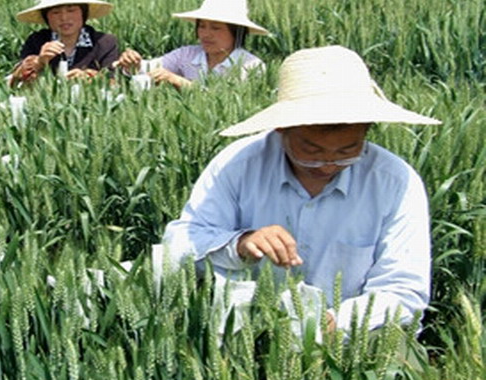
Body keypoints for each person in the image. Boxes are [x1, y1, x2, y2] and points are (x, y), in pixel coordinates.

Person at [163, 45, 440, 332]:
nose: (328, 164)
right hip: (244, 336)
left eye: (347, 150)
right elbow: (177, 246)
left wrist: (336, 325)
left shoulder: (395, 182)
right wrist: (240, 244)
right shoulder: (238, 164)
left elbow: (404, 290)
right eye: (312, 150)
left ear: (368, 128)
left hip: (352, 344)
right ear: (281, 127)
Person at [115, 0, 268, 89]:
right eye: (202, 26)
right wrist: (133, 63)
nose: (206, 34)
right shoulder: (187, 54)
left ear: (237, 32)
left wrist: (180, 82)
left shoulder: (251, 66)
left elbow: (229, 102)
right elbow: (150, 68)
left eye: (216, 28)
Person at [10, 0, 119, 85]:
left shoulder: (104, 43)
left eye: (71, 10)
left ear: (83, 12)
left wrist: (91, 79)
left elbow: (114, 82)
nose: (64, 18)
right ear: (46, 17)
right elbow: (14, 83)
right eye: (56, 12)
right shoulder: (37, 41)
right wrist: (39, 62)